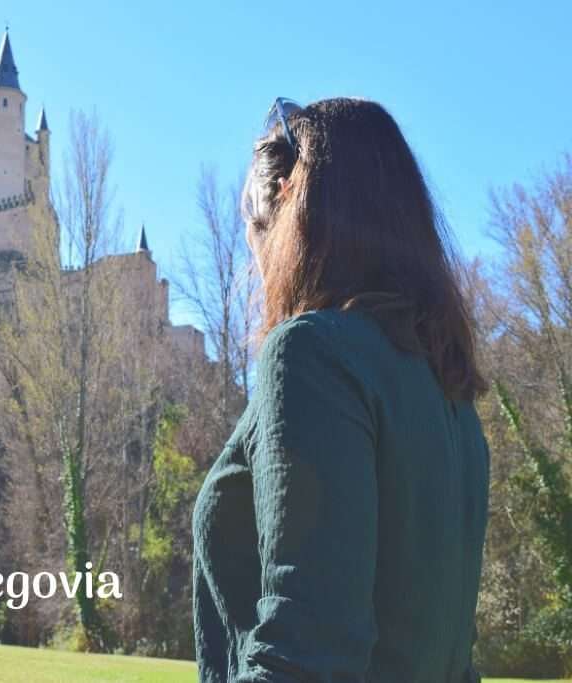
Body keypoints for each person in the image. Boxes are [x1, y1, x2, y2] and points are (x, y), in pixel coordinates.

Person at [192, 97, 489, 682]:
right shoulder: (450, 397)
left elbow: (305, 655)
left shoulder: (312, 353)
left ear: (286, 213)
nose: (256, 265)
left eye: (254, 234)